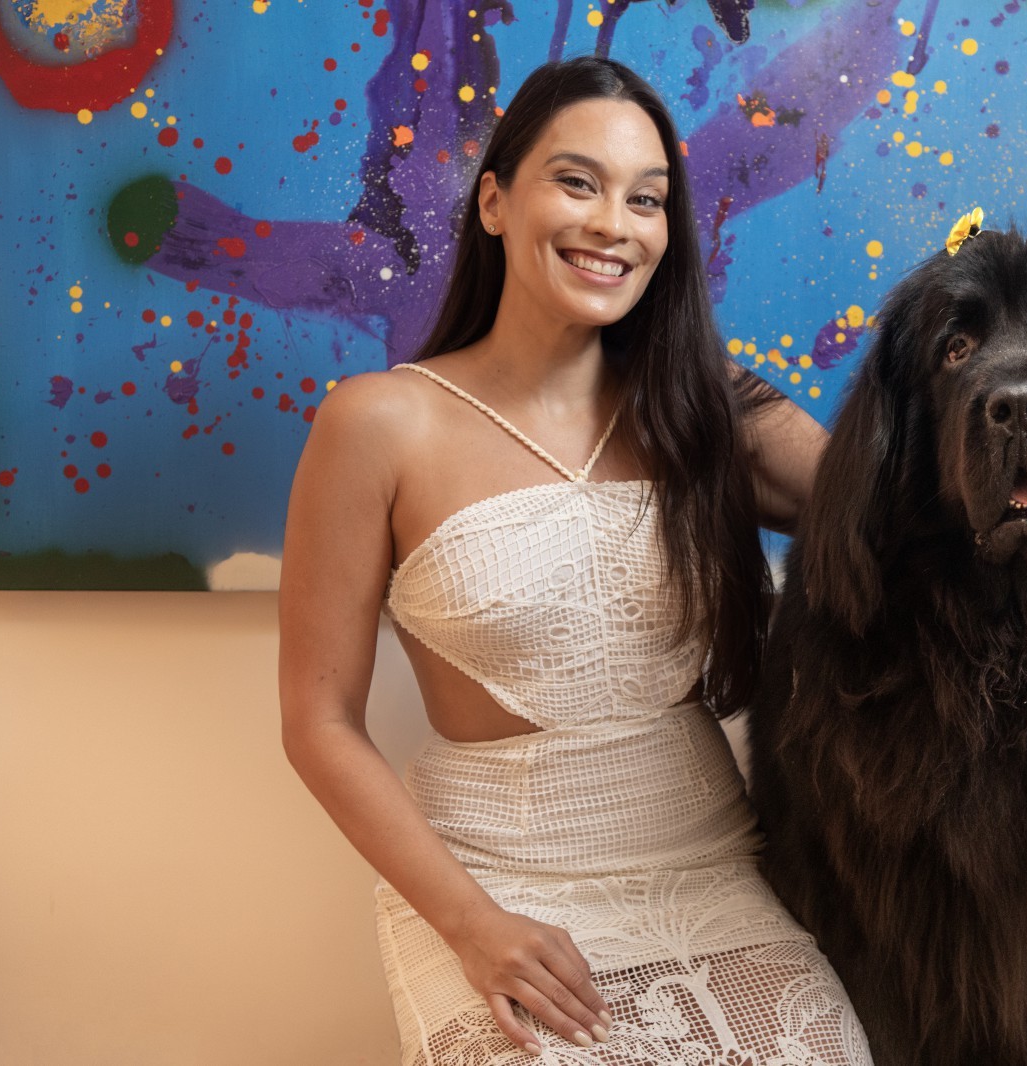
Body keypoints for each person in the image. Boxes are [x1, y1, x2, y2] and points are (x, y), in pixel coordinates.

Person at [278, 56, 872, 1064]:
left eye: (647, 200)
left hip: (712, 868)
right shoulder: (377, 422)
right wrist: (472, 925)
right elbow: (318, 723)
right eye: (579, 181)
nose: (615, 224)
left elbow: (935, 541)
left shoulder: (704, 406)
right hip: (495, 890)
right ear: (497, 200)